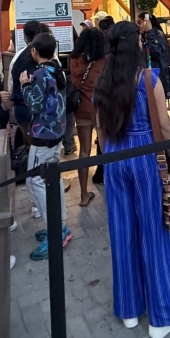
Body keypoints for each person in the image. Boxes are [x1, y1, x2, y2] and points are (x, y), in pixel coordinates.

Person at [95, 21, 170, 338]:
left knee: (122, 232)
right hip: (145, 155)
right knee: (152, 232)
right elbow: (163, 127)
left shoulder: (102, 81)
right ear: (137, 45)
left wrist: (108, 159)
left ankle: (130, 310)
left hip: (113, 158)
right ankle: (164, 315)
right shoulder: (148, 79)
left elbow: (101, 129)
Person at [18, 33, 72, 260]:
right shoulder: (57, 69)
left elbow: (35, 105)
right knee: (53, 178)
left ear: (34, 51)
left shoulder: (40, 74)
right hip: (57, 130)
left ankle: (55, 232)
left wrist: (25, 86)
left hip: (43, 133)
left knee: (36, 181)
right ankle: (60, 225)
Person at [68, 27, 107, 206]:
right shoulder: (103, 61)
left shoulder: (73, 60)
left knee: (84, 151)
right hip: (100, 109)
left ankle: (83, 195)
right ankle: (112, 187)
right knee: (106, 149)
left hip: (81, 109)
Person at [136, 12, 170, 92]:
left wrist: (150, 31)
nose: (137, 26)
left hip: (157, 76)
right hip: (148, 75)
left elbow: (156, 52)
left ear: (147, 22)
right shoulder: (143, 36)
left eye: (139, 22)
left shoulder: (157, 35)